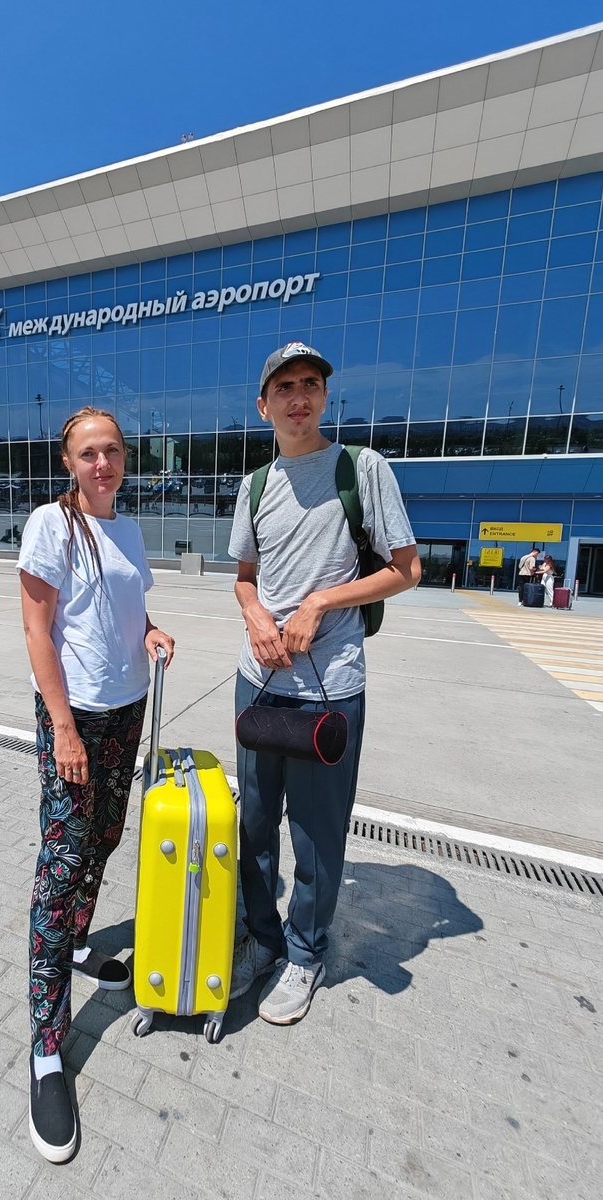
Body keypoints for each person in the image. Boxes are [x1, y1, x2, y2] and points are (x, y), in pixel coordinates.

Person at [228, 342, 421, 1025]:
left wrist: (320, 602)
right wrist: (255, 615)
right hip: (259, 682)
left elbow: (406, 568)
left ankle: (306, 953)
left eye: (310, 383)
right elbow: (244, 578)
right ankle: (261, 938)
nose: (298, 396)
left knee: (316, 833)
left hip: (330, 685)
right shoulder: (255, 486)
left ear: (324, 396)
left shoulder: (361, 469)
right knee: (254, 825)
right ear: (264, 405)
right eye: (285, 387)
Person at [17, 405, 174, 1163]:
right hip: (74, 715)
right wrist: (64, 728)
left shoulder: (129, 530)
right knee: (60, 866)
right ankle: (47, 1047)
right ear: (69, 462)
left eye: (111, 450)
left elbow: (124, 610)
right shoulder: (52, 525)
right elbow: (37, 631)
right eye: (88, 453)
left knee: (106, 835)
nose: (102, 463)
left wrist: (150, 632)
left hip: (127, 708)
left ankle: (80, 942)